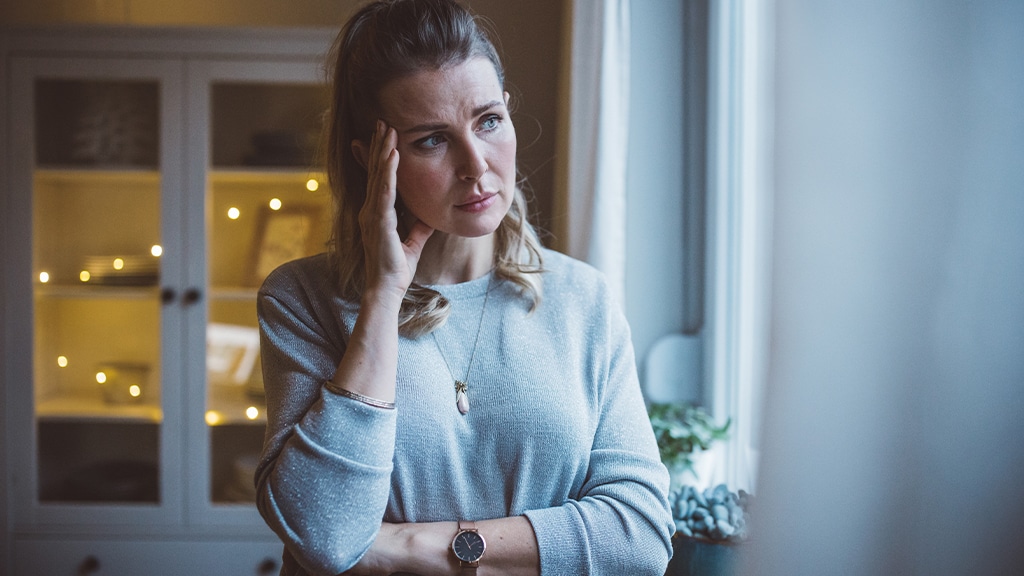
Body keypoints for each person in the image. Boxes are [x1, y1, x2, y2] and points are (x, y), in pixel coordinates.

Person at [254, 0, 674, 574]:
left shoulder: (584, 299)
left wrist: (405, 548)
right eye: (432, 140)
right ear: (374, 161)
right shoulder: (301, 300)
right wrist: (381, 298)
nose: (477, 166)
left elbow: (639, 537)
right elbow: (325, 534)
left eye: (489, 120)